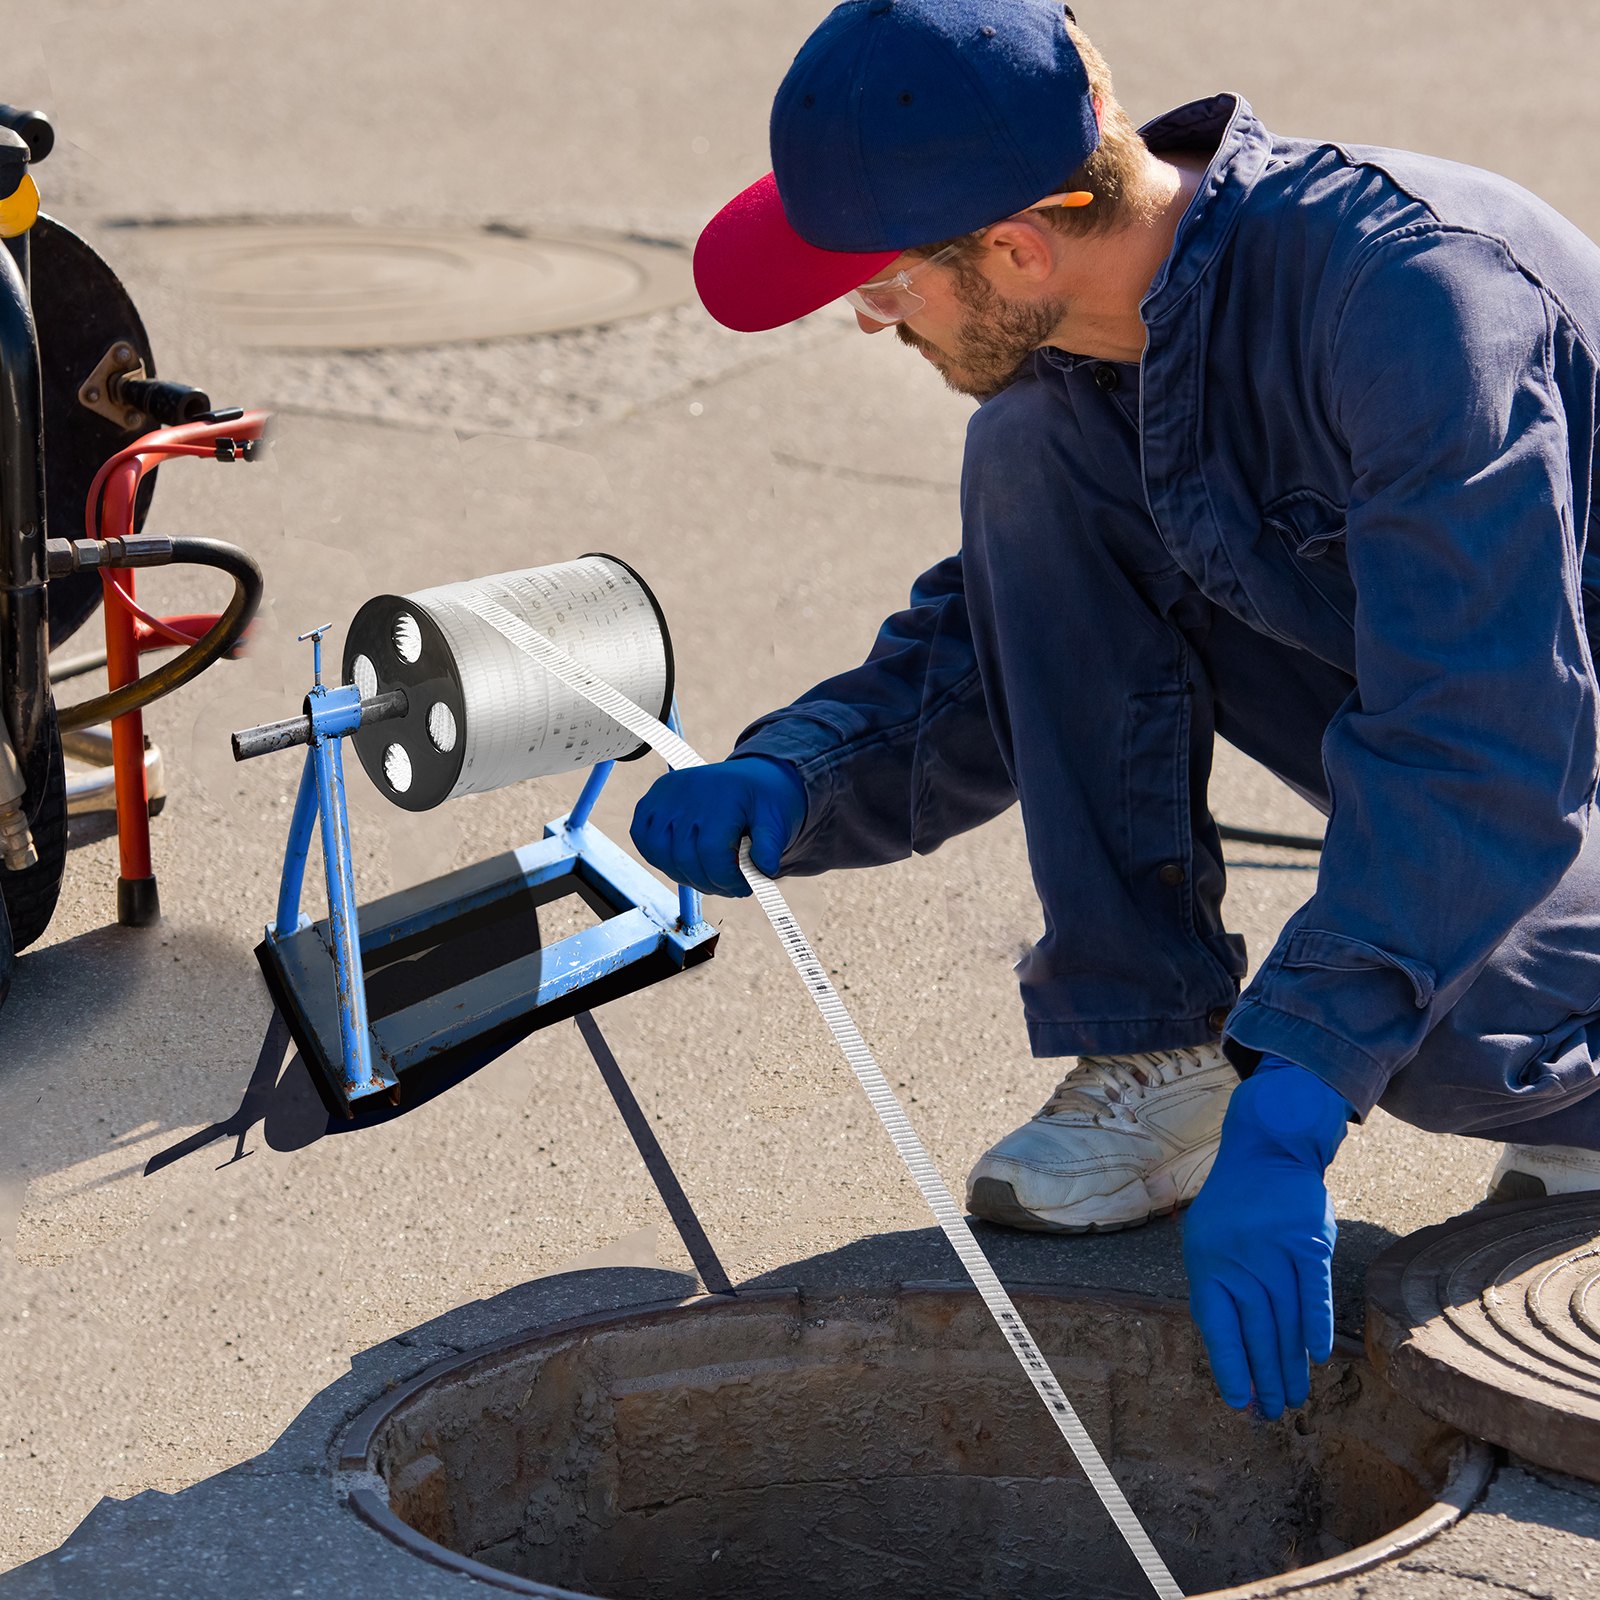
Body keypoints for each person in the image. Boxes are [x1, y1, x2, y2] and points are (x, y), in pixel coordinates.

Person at [630, 0, 1600, 1421]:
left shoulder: (1415, 307)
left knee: (1448, 1043)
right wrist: (797, 775)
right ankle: (1159, 1044)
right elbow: (1010, 644)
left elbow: (1478, 739)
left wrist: (1302, 1093)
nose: (865, 316)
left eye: (888, 284)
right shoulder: (1107, 342)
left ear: (1016, 246)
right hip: (1499, 715)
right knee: (1030, 447)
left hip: (1539, 734)